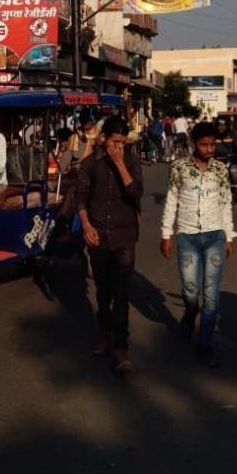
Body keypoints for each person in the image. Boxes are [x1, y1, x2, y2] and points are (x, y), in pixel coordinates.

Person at [160, 121, 237, 368]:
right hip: (187, 236)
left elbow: (226, 203)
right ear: (195, 144)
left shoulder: (220, 170)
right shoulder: (179, 167)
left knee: (212, 296)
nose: (209, 149)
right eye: (205, 145)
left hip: (215, 235)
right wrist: (166, 234)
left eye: (213, 144)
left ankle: (204, 343)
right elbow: (171, 200)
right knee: (191, 291)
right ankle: (190, 312)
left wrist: (228, 236)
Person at [75, 117, 143, 374]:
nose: (119, 148)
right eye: (115, 142)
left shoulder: (131, 161)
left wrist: (119, 163)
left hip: (125, 235)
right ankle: (104, 334)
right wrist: (86, 225)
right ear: (103, 139)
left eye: (123, 143)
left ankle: (121, 347)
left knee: (122, 293)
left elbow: (136, 193)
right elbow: (80, 197)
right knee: (103, 292)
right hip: (98, 234)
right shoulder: (90, 164)